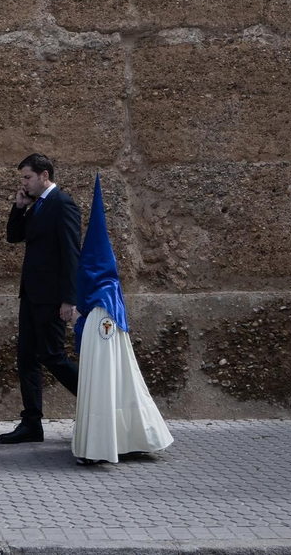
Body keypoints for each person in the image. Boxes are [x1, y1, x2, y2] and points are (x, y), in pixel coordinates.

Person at [72, 174, 174, 464]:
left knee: (105, 381)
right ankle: (126, 437)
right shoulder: (106, 299)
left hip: (99, 324)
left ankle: (100, 446)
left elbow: (101, 376)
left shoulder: (101, 311)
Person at [0, 152, 81, 444]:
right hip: (31, 295)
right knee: (26, 358)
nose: (24, 183)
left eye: (27, 177)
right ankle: (32, 424)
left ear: (44, 176)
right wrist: (18, 207)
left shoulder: (63, 204)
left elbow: (71, 254)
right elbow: (13, 237)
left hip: (51, 298)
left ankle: (95, 400)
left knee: (52, 356)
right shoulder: (36, 206)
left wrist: (69, 299)